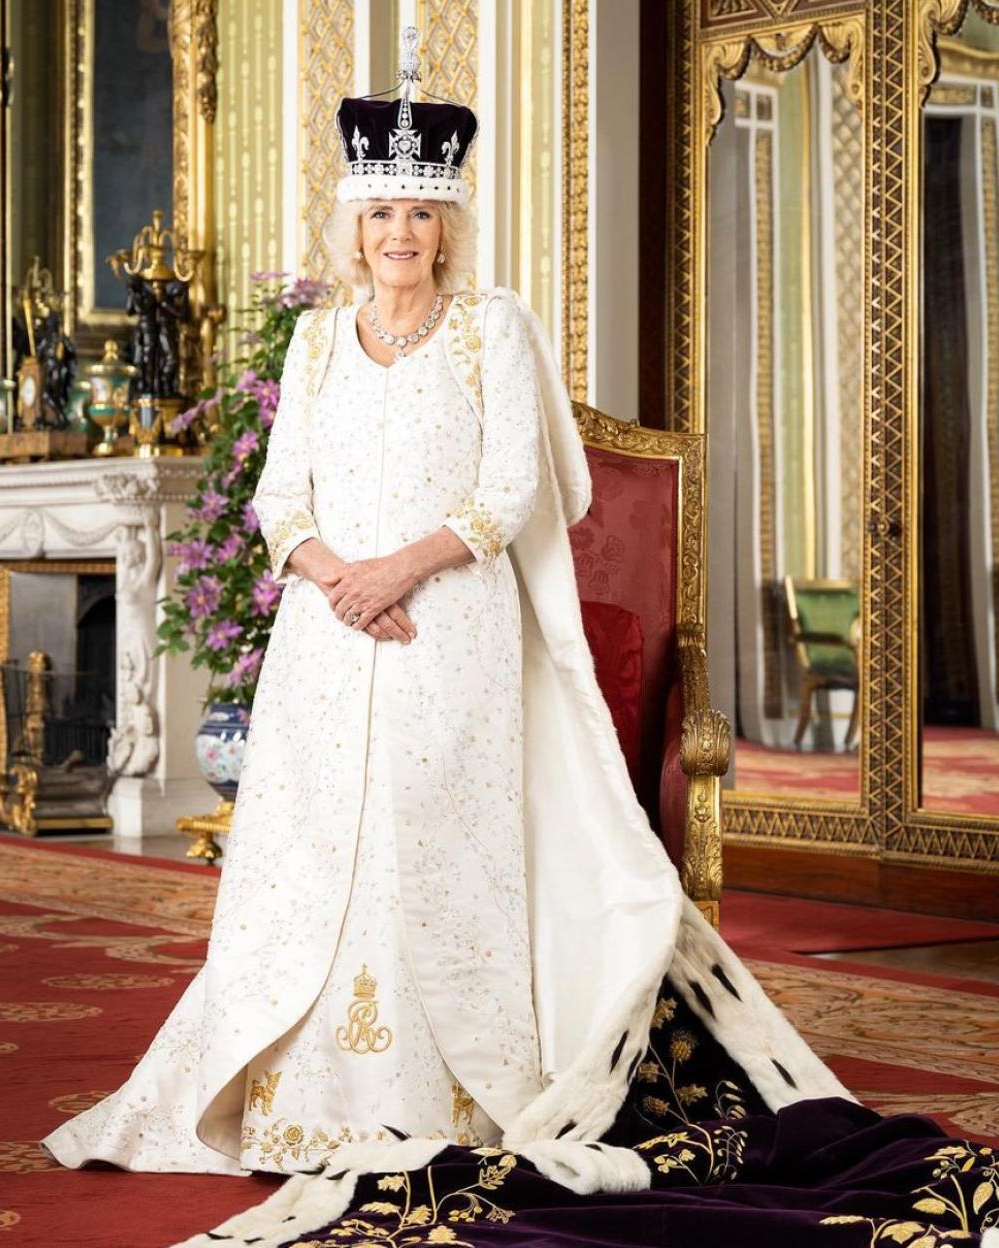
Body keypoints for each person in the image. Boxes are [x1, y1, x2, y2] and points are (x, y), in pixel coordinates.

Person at [42, 33, 848, 1181]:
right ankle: (296, 1100)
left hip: (451, 628)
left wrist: (395, 572)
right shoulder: (319, 340)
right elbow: (279, 497)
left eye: (419, 217)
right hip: (326, 641)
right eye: (381, 216)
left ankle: (454, 1094)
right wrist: (339, 579)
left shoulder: (493, 330)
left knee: (429, 843)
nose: (399, 236)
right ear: (353, 228)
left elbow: (512, 490)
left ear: (447, 228)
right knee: (325, 853)